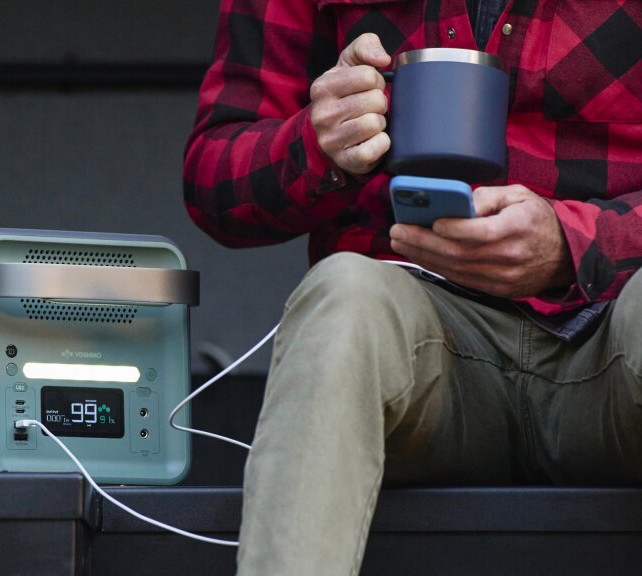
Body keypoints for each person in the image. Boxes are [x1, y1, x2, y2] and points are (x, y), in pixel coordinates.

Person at [183, 0, 642, 574]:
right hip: (422, 357)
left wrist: (575, 242)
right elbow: (212, 178)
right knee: (343, 294)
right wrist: (316, 139)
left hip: (610, 336)